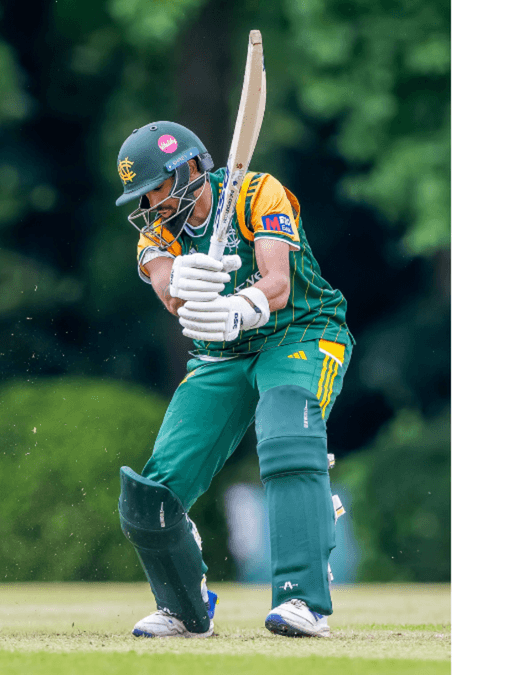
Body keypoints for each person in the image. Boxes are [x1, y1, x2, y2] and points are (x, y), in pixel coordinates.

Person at [113, 121, 354, 638]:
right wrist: (181, 282)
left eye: (154, 188)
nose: (149, 204)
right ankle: (183, 605)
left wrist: (241, 306)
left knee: (288, 435)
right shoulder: (157, 228)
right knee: (151, 493)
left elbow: (279, 285)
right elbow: (167, 288)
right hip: (221, 356)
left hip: (301, 333)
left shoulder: (256, 192)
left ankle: (303, 600)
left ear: (190, 169)